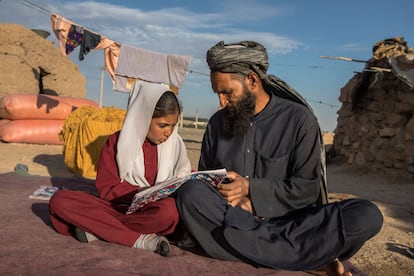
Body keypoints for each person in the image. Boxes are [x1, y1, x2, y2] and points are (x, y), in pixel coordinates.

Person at [176, 41, 383, 275]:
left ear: (252, 81)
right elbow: (206, 182)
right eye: (218, 94)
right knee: (190, 194)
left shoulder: (299, 119)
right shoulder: (216, 124)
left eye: (227, 92)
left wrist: (251, 191)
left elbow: (307, 188)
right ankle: (310, 259)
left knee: (366, 214)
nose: (221, 102)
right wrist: (228, 195)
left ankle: (263, 251)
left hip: (290, 224)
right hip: (236, 221)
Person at [49, 81, 191, 257]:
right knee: (60, 200)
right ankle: (142, 239)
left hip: (153, 211)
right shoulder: (117, 142)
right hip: (118, 207)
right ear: (142, 117)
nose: (169, 132)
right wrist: (141, 192)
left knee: (169, 213)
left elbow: (183, 177)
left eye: (173, 125)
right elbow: (107, 189)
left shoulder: (175, 145)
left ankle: (99, 229)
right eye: (163, 125)